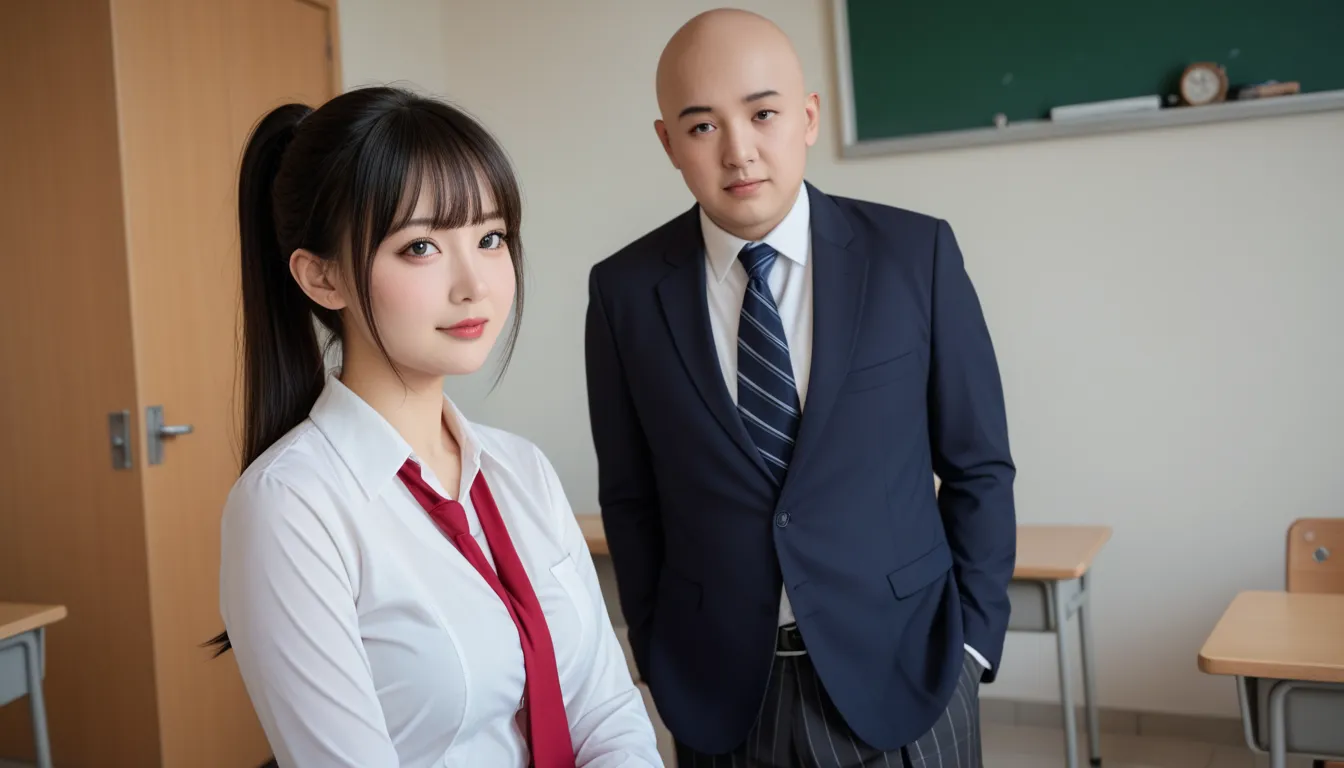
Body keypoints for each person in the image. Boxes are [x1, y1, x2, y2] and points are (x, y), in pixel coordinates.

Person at [583, 9, 1015, 768]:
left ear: (808, 117)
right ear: (668, 144)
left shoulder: (916, 256)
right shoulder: (624, 292)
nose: (740, 150)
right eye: (702, 127)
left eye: (763, 113)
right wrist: (655, 651)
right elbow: (631, 495)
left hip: (909, 675)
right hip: (723, 698)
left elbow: (978, 465)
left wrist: (972, 648)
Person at [212, 86, 661, 768]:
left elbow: (604, 711)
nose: (474, 283)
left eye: (490, 238)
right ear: (322, 277)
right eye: (420, 246)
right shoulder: (291, 506)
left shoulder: (521, 470)